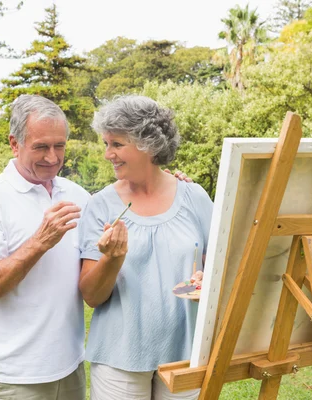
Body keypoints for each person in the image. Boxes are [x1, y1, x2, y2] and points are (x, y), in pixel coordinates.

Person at [79, 96, 213, 400]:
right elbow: (91, 296)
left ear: (147, 143)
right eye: (106, 143)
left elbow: (220, 266)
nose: (107, 154)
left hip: (185, 354)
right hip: (119, 358)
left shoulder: (194, 197)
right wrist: (112, 259)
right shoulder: (100, 206)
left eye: (116, 144)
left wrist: (209, 279)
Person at [0, 95, 89, 400]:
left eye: (60, 145)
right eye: (41, 146)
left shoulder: (78, 195)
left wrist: (171, 186)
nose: (53, 157)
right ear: (14, 144)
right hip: (15, 378)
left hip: (71, 367)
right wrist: (39, 242)